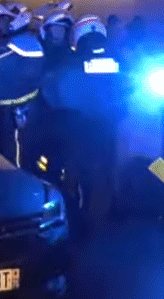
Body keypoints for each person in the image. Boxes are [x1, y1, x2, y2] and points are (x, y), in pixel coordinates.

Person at [40, 15, 129, 234]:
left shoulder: (72, 62)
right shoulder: (119, 59)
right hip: (109, 126)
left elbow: (54, 94)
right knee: (109, 171)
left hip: (78, 128)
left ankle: (82, 223)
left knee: (81, 176)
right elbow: (129, 89)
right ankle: (114, 217)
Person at [0, 0, 45, 168]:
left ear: (15, 19)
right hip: (10, 111)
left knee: (15, 160)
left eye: (2, 20)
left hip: (15, 113)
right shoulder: (18, 40)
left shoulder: (23, 42)